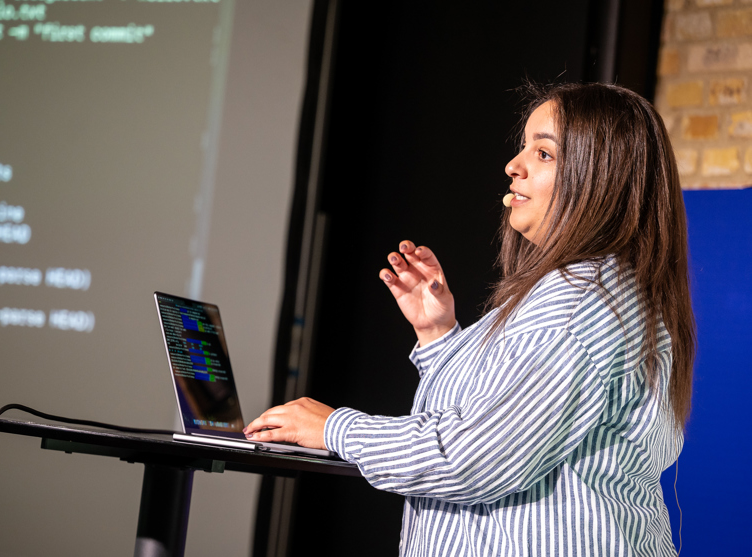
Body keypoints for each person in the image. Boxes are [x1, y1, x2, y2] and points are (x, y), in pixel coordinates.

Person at [243, 83, 695, 556]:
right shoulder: (585, 290)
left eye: (543, 153)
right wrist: (438, 335)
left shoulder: (577, 303)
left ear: (602, 178)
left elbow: (472, 458)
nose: (513, 166)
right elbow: (481, 421)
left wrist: (335, 427)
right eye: (524, 147)